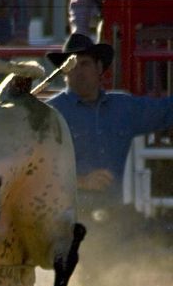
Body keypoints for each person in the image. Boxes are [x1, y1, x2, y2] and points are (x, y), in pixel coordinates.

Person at [46, 33, 173, 225]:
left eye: (85, 64)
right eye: (72, 66)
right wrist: (81, 181)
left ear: (99, 67)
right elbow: (33, 169)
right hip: (64, 218)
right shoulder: (50, 114)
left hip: (113, 215)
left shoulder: (123, 107)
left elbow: (166, 110)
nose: (78, 71)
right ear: (64, 72)